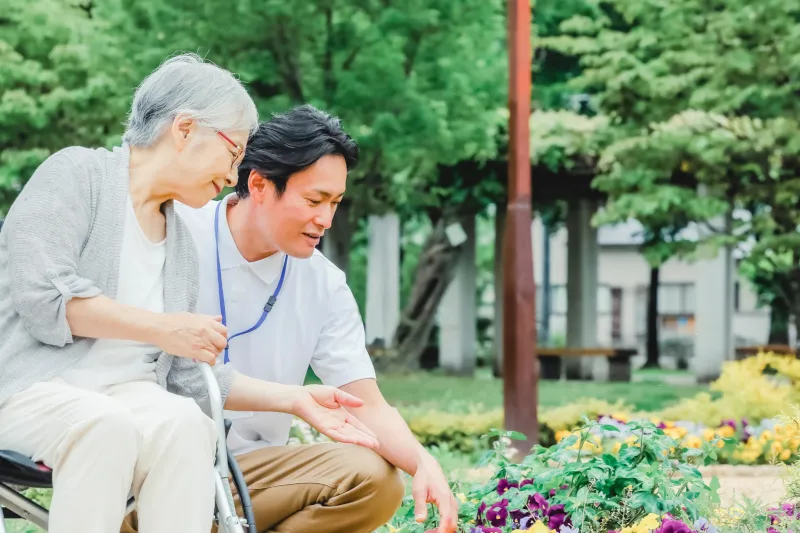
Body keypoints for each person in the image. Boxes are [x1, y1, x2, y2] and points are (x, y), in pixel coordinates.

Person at [0, 56, 378, 533]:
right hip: (32, 392)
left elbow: (187, 377)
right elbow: (44, 301)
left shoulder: (178, 238)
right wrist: (164, 328)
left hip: (129, 397)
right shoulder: (77, 175)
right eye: (233, 152)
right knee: (105, 426)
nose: (234, 174)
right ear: (184, 129)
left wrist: (295, 398)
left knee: (185, 422)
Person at [170, 104, 458, 533]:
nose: (325, 219)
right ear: (260, 184)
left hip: (251, 478)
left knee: (377, 478)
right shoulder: (175, 232)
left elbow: (365, 403)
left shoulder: (324, 283)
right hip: (161, 466)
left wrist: (423, 462)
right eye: (313, 200)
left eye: (335, 202)